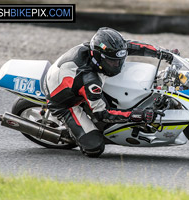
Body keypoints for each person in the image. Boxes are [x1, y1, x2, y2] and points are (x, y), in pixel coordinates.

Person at [43, 27, 180, 157]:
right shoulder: (90, 81)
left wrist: (164, 53)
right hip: (65, 103)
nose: (118, 65)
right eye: (112, 62)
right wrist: (137, 115)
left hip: (71, 80)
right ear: (98, 57)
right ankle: (73, 133)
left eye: (120, 60)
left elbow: (133, 46)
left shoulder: (105, 50)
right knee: (95, 147)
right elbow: (103, 113)